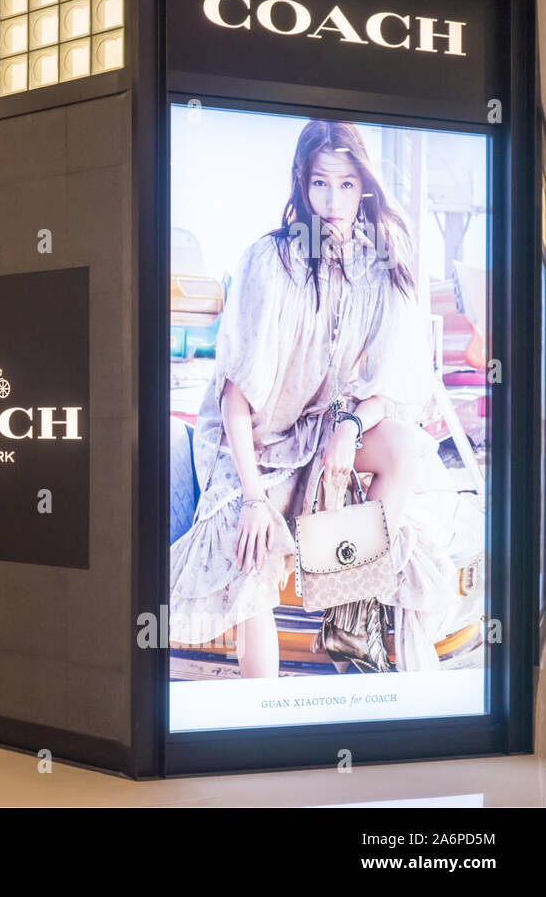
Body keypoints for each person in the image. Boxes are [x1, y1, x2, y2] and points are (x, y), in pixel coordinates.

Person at [170, 119, 459, 677]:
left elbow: (387, 392)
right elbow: (234, 401)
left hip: (324, 432)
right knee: (252, 553)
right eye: (320, 183)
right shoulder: (268, 262)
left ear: (364, 187)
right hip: (255, 444)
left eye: (347, 184)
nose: (332, 200)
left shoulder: (382, 269)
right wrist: (253, 498)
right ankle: (264, 716)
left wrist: (348, 427)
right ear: (301, 184)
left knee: (403, 445)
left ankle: (340, 587)